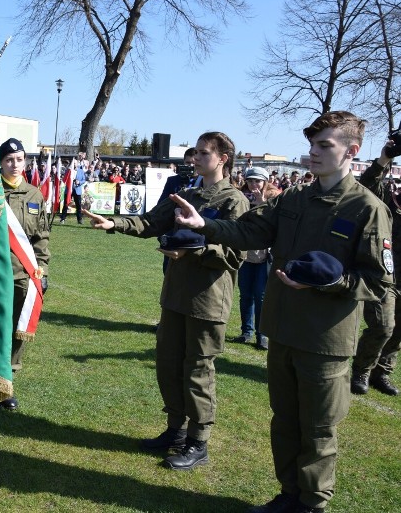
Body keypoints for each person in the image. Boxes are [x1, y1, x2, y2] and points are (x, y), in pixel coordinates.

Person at [170, 111, 393, 513]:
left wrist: (330, 282)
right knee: (284, 420)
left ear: (352, 151)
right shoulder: (294, 198)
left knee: (318, 430)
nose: (313, 153)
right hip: (283, 329)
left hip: (325, 340)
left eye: (324, 145)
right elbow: (250, 232)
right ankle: (290, 494)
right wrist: (205, 224)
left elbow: (379, 283)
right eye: (311, 145)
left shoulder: (367, 208)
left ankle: (312, 504)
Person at [85, 131, 249, 471]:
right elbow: (149, 222)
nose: (196, 158)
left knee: (198, 371)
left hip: (208, 301)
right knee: (168, 366)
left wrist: (194, 250)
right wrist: (113, 223)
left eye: (205, 153)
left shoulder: (233, 201)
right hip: (175, 296)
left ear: (223, 159)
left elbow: (236, 253)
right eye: (197, 152)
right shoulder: (185, 194)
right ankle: (175, 431)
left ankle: (198, 442)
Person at [0, 138, 50, 411]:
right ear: (0, 163)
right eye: (9, 160)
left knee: (17, 330)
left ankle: (7, 384)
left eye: (19, 159)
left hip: (24, 275)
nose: (15, 165)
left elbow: (41, 238)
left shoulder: (35, 195)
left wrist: (43, 270)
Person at [349, 137, 400, 396]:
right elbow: (365, 185)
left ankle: (382, 371)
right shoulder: (388, 202)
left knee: (397, 333)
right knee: (383, 327)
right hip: (385, 278)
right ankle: (361, 370)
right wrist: (384, 158)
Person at [233, 166, 280, 350]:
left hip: (264, 256)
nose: (254, 184)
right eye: (251, 180)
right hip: (245, 254)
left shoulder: (274, 199)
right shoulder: (241, 198)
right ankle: (246, 332)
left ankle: (262, 336)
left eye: (258, 181)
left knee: (260, 296)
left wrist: (262, 203)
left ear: (265, 182)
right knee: (245, 295)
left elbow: (274, 225)